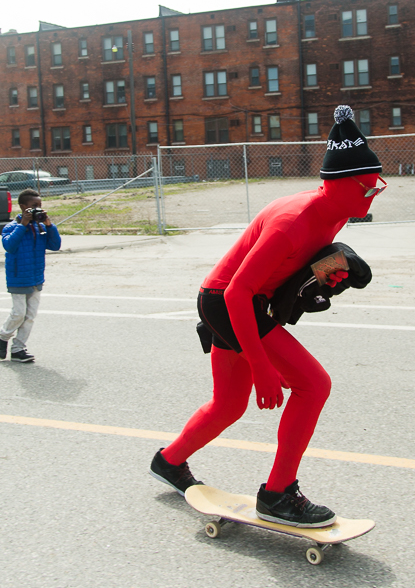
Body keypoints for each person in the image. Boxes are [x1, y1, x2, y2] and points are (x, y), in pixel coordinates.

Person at [150, 105, 384, 527]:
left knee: (228, 405)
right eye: (367, 187)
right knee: (313, 385)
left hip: (241, 301)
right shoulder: (292, 221)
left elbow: (288, 268)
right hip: (228, 302)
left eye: (377, 185)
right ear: (337, 186)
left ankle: (169, 461)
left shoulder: (338, 213)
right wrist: (260, 365)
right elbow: (239, 290)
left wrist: (317, 279)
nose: (375, 193)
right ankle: (278, 494)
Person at [0, 188, 62, 363]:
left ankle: (18, 349)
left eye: (40, 205)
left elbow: (55, 245)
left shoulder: (40, 227)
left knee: (30, 316)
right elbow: (9, 245)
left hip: (36, 277)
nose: (38, 209)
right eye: (34, 206)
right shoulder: (11, 227)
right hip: (18, 277)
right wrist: (22, 224)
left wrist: (49, 225)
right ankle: (3, 336)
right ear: (23, 207)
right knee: (18, 313)